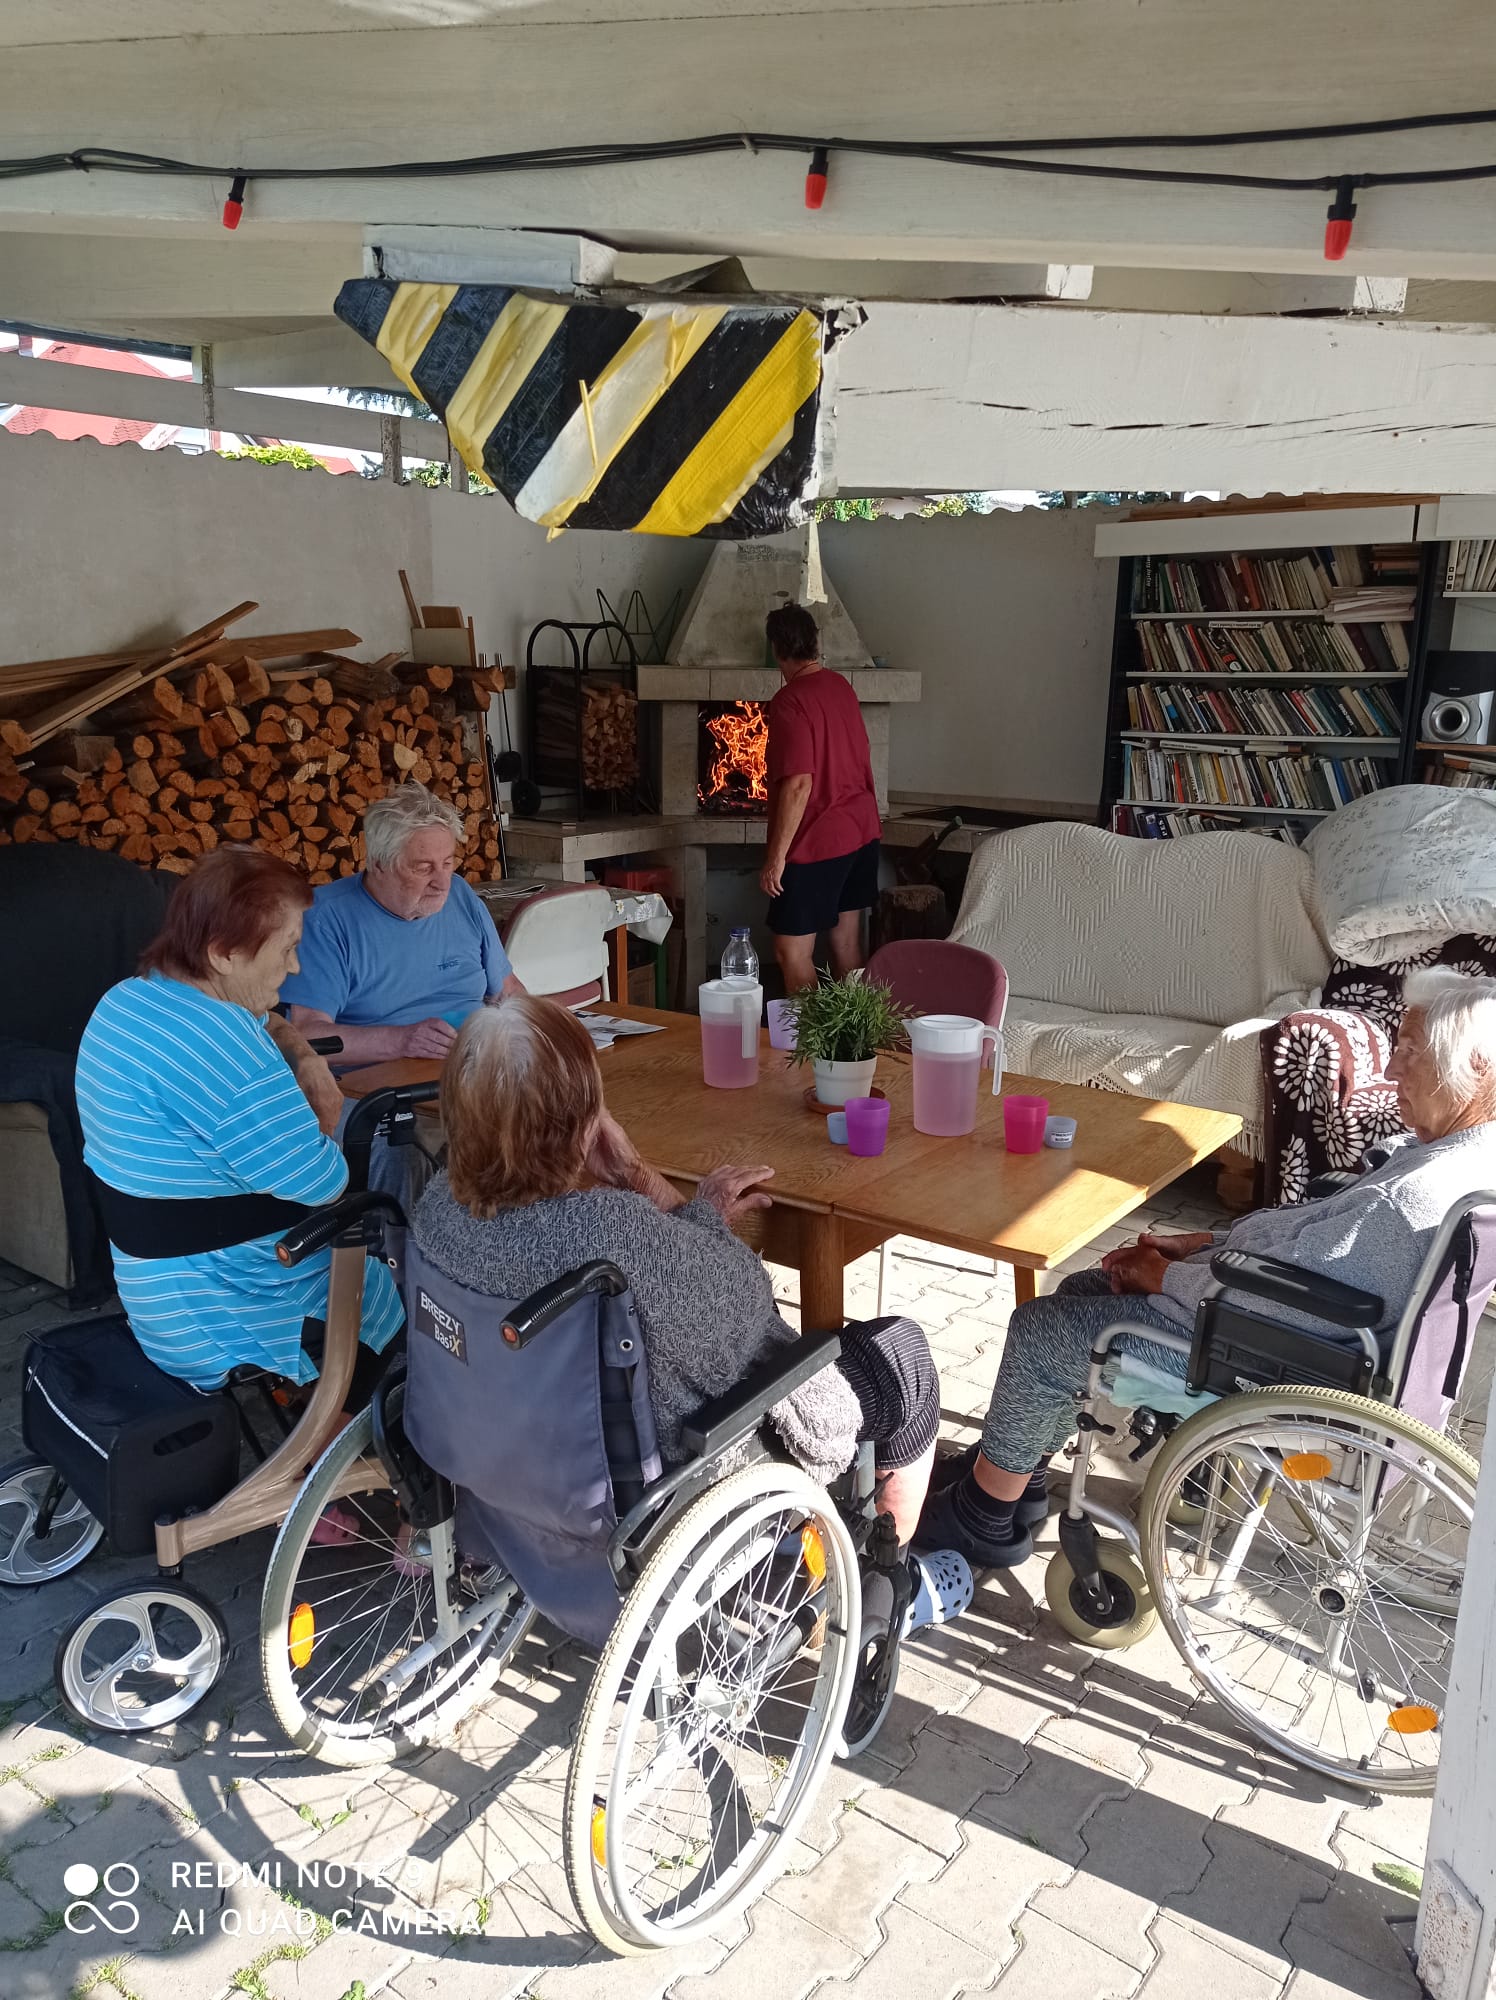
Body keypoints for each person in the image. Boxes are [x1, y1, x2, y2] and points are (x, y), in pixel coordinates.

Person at [413, 994, 973, 1634]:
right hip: (649, 1495)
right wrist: (646, 1179)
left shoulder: (436, 1209)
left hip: (498, 1465)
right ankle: (885, 1592)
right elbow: (746, 1304)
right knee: (902, 1357)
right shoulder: (610, 1237)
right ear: (582, 1126)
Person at [917, 967, 1496, 1569]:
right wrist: (1204, 1244)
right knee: (1083, 1288)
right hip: (1293, 1334)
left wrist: (1164, 1277)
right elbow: (1308, 1250)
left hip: (1266, 1357)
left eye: (1410, 1051)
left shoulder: (1406, 1202)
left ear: (1476, 1066)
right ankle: (1021, 1473)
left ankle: (984, 1516)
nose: (1392, 1069)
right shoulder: (1466, 1158)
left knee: (1042, 1329)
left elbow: (1286, 1302)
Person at [74, 848, 404, 1391]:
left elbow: (263, 1018)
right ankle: (336, 1435)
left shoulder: (129, 1001)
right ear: (224, 953)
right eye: (288, 948)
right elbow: (324, 1184)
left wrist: (302, 1054)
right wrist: (322, 1114)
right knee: (390, 1287)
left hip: (154, 1291)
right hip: (224, 1308)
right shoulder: (227, 1052)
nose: (295, 968)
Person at [281, 781, 523, 1065]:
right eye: (424, 868)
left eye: (447, 863)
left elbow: (508, 991)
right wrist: (401, 1041)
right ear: (378, 864)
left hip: (476, 1063)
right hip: (382, 1080)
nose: (442, 883)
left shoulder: (460, 895)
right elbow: (307, 1035)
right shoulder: (324, 919)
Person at [758, 604, 882, 993]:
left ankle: (811, 1034)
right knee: (846, 943)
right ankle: (859, 1030)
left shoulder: (790, 700)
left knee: (790, 951)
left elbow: (799, 783)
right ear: (814, 642)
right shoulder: (841, 686)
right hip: (861, 831)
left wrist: (776, 858)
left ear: (776, 649)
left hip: (818, 839)